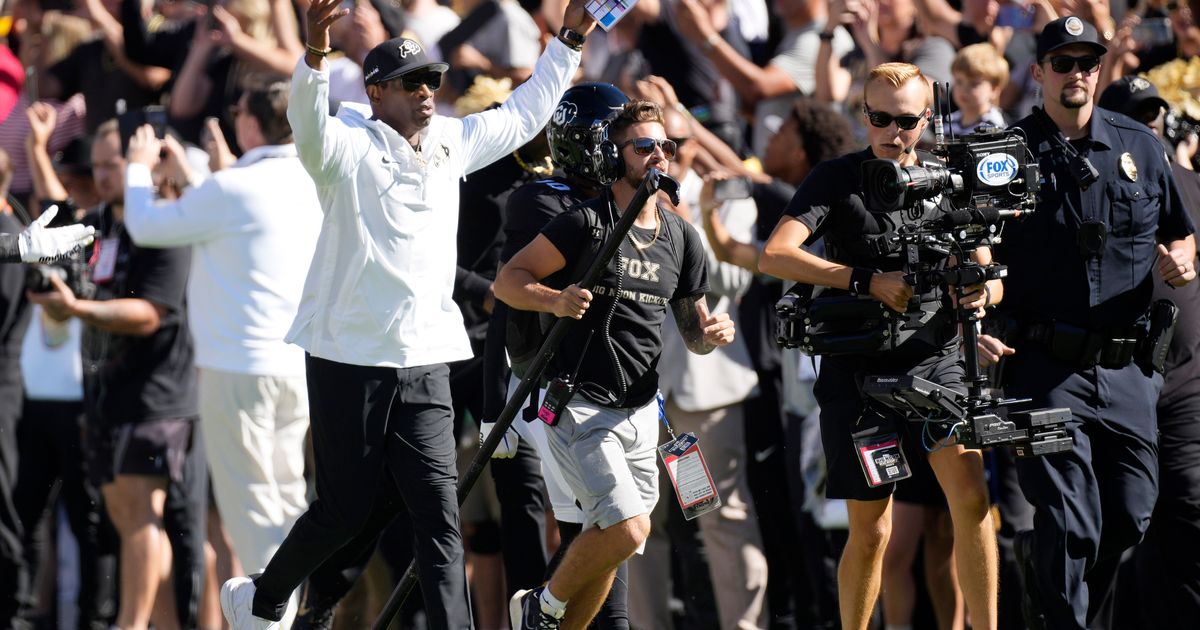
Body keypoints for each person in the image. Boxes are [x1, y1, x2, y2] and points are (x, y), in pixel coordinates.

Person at [216, 0, 596, 626]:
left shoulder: (452, 139)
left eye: (431, 81)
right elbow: (305, 125)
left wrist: (570, 39)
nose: (425, 92)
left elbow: (527, 114)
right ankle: (260, 597)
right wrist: (313, 54)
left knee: (440, 520)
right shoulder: (344, 144)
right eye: (410, 83)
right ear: (374, 93)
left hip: (426, 359)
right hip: (348, 356)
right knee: (345, 510)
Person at [758, 62, 1001, 630]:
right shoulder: (836, 176)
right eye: (880, 118)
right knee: (873, 529)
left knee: (970, 502)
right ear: (864, 115)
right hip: (858, 367)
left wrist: (981, 293)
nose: (894, 131)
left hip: (937, 360)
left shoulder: (949, 176)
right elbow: (776, 254)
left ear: (928, 116)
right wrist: (864, 281)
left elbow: (990, 273)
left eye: (908, 120)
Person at [495, 98, 736, 630]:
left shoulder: (681, 237)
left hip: (642, 412)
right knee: (627, 530)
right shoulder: (586, 222)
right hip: (580, 404)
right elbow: (507, 281)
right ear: (615, 155)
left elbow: (692, 332)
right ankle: (540, 606)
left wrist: (714, 332)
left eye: (665, 147)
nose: (659, 156)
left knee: (613, 541)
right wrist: (554, 300)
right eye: (644, 146)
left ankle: (553, 618)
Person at [993, 17, 1196, 630]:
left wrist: (1184, 257)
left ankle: (1048, 590)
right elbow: (975, 249)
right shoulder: (1005, 156)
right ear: (1038, 72)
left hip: (1127, 368)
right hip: (1043, 368)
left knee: (1132, 515)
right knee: (1071, 519)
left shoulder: (1140, 146)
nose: (1076, 73)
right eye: (1062, 62)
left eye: (1088, 62)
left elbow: (1181, 231)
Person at [120, 77, 323, 626]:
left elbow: (145, 224)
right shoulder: (305, 178)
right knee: (282, 504)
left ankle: (271, 620)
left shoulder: (235, 187)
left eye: (239, 111)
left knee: (257, 512)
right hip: (293, 367)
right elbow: (233, 214)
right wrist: (206, 177)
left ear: (251, 123)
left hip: (239, 372)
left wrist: (137, 166)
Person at [27, 119, 204, 630]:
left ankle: (129, 624)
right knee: (128, 520)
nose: (104, 175)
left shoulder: (167, 221)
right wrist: (62, 301)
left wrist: (77, 309)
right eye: (100, 164)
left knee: (138, 515)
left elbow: (150, 312)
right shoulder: (100, 223)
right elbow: (53, 226)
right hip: (106, 395)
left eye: (115, 164)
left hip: (158, 393)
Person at [949, 43, 1008, 137]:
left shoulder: (993, 125)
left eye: (974, 84)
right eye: (959, 82)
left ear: (994, 89)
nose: (964, 89)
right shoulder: (950, 120)